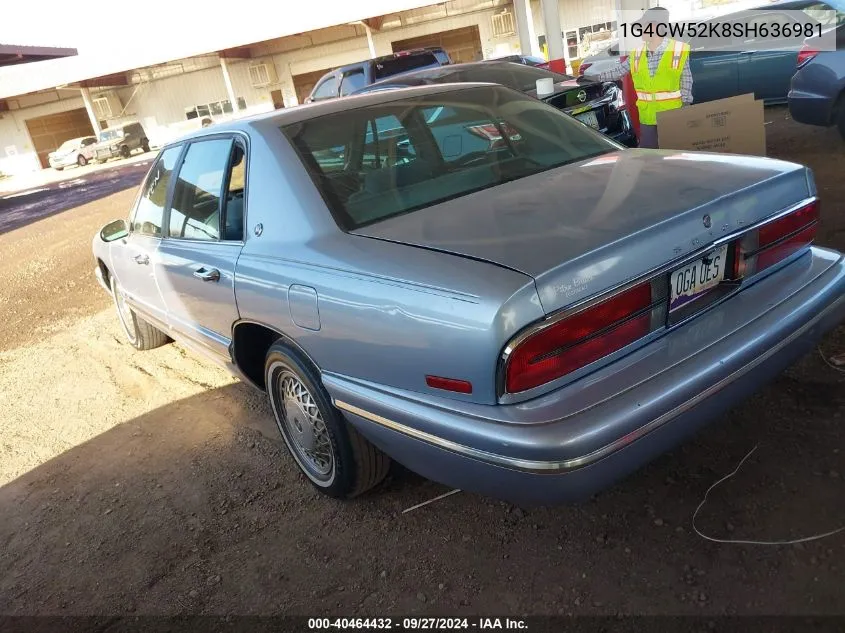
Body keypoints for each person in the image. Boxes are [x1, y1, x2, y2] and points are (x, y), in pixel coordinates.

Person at [588, 7, 693, 148]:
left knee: (673, 154)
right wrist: (594, 78)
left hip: (671, 115)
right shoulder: (637, 53)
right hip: (647, 117)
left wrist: (685, 106)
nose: (640, 31)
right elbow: (618, 71)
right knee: (649, 155)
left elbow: (686, 80)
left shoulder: (678, 50)